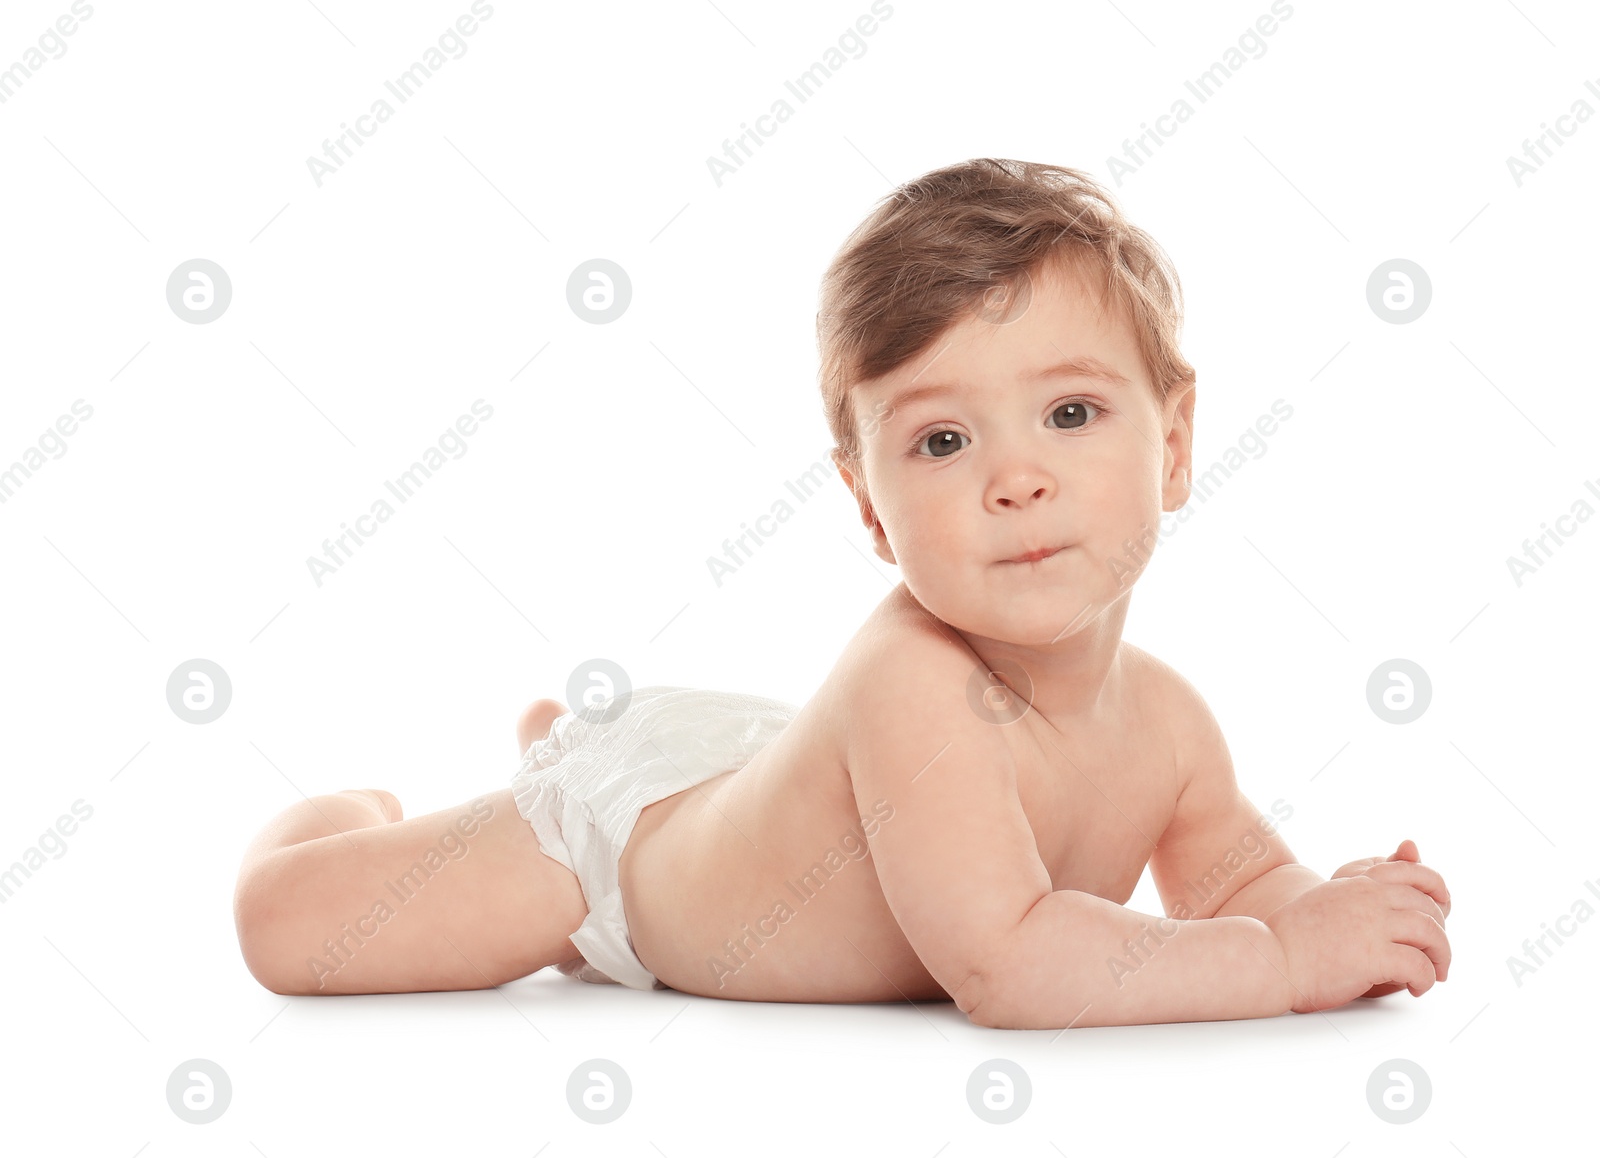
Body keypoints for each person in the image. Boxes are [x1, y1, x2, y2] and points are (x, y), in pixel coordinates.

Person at [233, 158, 1451, 1027]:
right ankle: (356, 813)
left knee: (750, 785)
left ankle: (566, 735)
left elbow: (1239, 886)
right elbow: (1011, 964)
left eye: (1070, 414)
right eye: (939, 443)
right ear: (869, 505)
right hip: (620, 859)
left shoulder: (1169, 719)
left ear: (1175, 443)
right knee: (292, 934)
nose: (1015, 479)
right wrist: (1282, 964)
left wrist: (1341, 915)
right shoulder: (913, 684)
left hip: (762, 775)